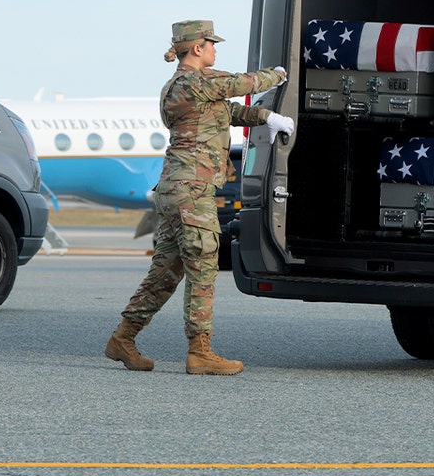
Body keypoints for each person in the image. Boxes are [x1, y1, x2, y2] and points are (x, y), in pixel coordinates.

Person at [106, 20, 294, 375]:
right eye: (211, 43)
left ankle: (123, 338)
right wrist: (279, 74)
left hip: (176, 189)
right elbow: (243, 84)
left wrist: (266, 117)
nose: (215, 49)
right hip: (191, 190)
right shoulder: (193, 82)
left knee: (165, 273)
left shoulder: (186, 88)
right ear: (196, 47)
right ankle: (200, 351)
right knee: (204, 266)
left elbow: (229, 112)